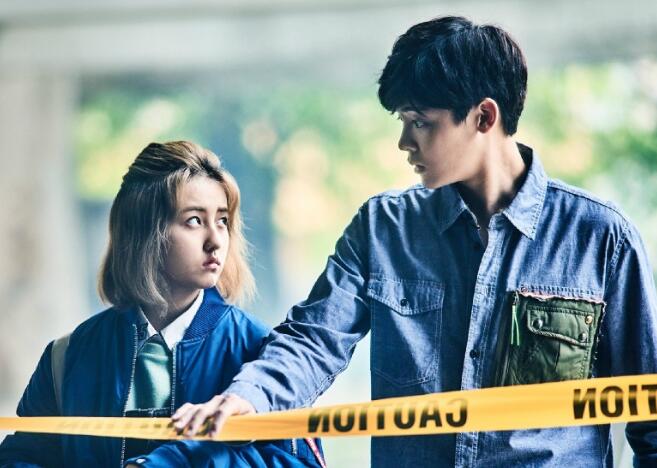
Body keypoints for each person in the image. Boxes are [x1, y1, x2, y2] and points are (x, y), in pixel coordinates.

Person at [173, 16, 657, 467]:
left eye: (420, 121)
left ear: (484, 117)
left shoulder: (602, 240)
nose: (404, 142)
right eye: (402, 122)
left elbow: (651, 416)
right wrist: (250, 397)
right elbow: (313, 339)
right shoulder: (382, 229)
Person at [0, 141, 325, 467]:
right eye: (194, 220)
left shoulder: (263, 356)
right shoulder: (66, 357)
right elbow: (21, 459)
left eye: (222, 221)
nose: (215, 240)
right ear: (142, 231)